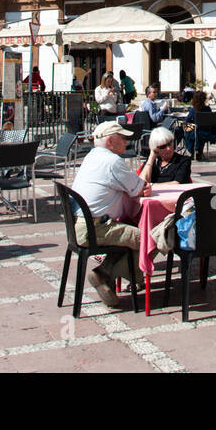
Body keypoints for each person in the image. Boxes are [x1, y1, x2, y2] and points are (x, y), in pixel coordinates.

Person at [70, 121, 150, 307]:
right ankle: (106, 275)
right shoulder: (112, 161)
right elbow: (140, 188)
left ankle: (106, 274)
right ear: (110, 141)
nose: (126, 142)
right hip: (95, 228)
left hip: (80, 227)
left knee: (128, 234)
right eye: (122, 138)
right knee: (146, 240)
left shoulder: (92, 156)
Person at [182, 89, 216, 160]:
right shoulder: (208, 109)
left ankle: (192, 151)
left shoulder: (193, 110)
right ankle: (199, 151)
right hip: (207, 132)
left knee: (185, 129)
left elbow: (187, 120)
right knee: (194, 130)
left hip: (196, 132)